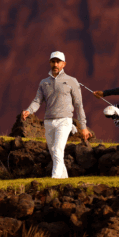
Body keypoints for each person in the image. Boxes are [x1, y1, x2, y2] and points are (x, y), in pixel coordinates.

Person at [22, 51, 90, 179]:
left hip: (65, 121)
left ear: (64, 64)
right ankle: (64, 180)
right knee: (54, 152)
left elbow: (79, 105)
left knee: (58, 150)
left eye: (58, 62)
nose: (55, 64)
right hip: (48, 121)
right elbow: (37, 100)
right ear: (50, 62)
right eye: (53, 61)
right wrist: (29, 110)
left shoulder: (71, 81)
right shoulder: (44, 82)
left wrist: (84, 127)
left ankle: (54, 179)